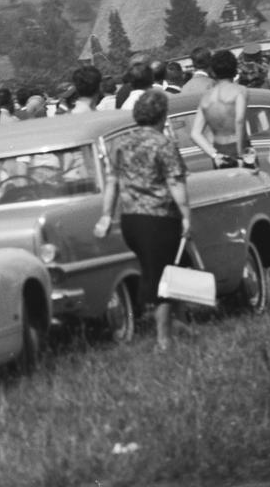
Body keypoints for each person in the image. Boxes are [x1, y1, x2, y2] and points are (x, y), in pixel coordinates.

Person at [94, 88, 191, 352]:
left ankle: (180, 323)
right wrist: (186, 216)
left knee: (168, 268)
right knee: (163, 276)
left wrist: (106, 215)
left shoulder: (121, 143)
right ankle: (163, 338)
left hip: (131, 220)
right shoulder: (163, 144)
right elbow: (175, 182)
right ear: (162, 115)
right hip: (159, 216)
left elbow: (112, 181)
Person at [189, 49, 249, 166]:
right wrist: (240, 154)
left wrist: (214, 155)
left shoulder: (206, 97)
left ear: (214, 71)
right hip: (239, 147)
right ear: (234, 70)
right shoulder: (240, 91)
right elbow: (239, 120)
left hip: (219, 150)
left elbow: (195, 133)